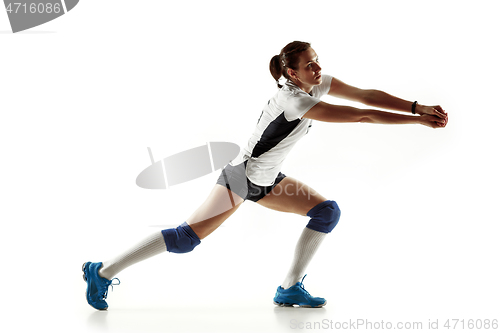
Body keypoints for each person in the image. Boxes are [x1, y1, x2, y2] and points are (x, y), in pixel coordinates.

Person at [82, 41, 448, 310]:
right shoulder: (295, 100)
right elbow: (361, 116)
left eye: (317, 61)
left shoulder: (315, 84)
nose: (317, 69)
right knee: (185, 239)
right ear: (292, 73)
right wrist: (417, 120)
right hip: (241, 178)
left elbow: (366, 97)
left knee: (326, 212)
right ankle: (101, 271)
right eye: (309, 65)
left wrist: (417, 106)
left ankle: (289, 288)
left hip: (268, 178)